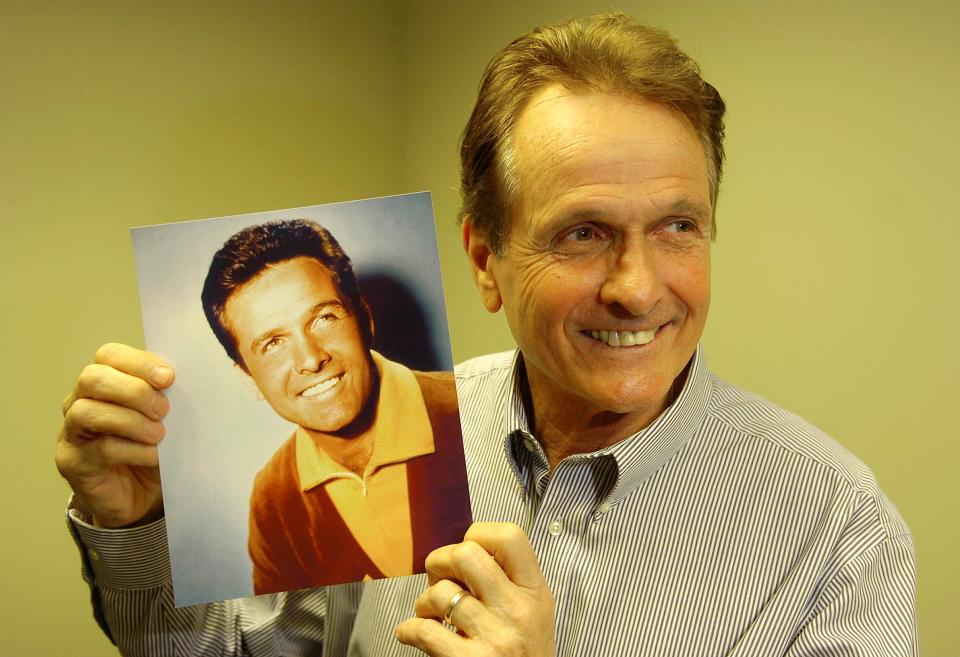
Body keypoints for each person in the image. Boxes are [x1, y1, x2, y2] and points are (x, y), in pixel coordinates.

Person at [56, 12, 917, 657]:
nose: (638, 286)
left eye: (678, 227)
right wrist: (140, 528)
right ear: (483, 258)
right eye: (583, 232)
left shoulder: (841, 536)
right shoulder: (360, 449)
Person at [195, 219, 471, 593]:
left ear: (364, 318)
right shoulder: (273, 500)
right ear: (247, 378)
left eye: (324, 318)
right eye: (273, 343)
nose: (310, 359)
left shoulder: (472, 408)